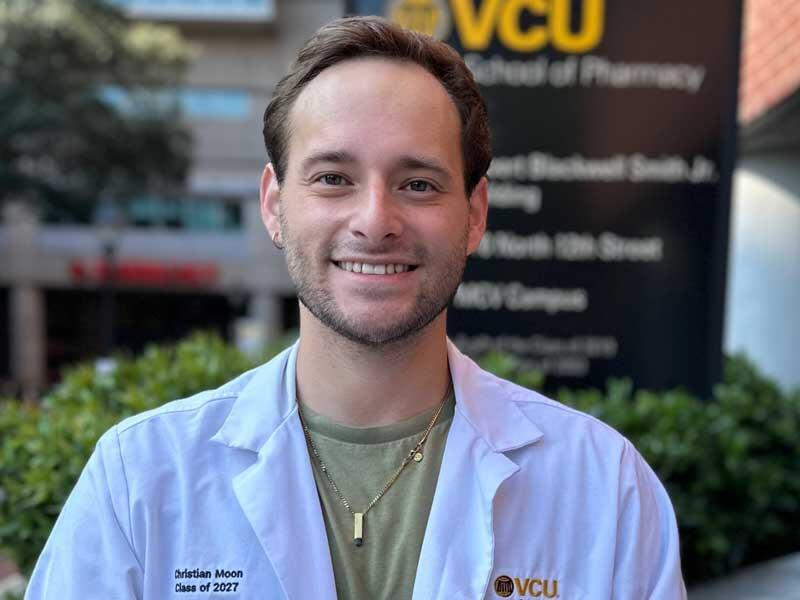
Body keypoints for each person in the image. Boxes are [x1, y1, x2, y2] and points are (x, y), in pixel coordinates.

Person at [26, 16, 686, 600]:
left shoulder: (604, 487)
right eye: (333, 178)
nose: (375, 221)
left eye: (418, 183)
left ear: (475, 214)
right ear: (275, 204)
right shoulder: (140, 478)